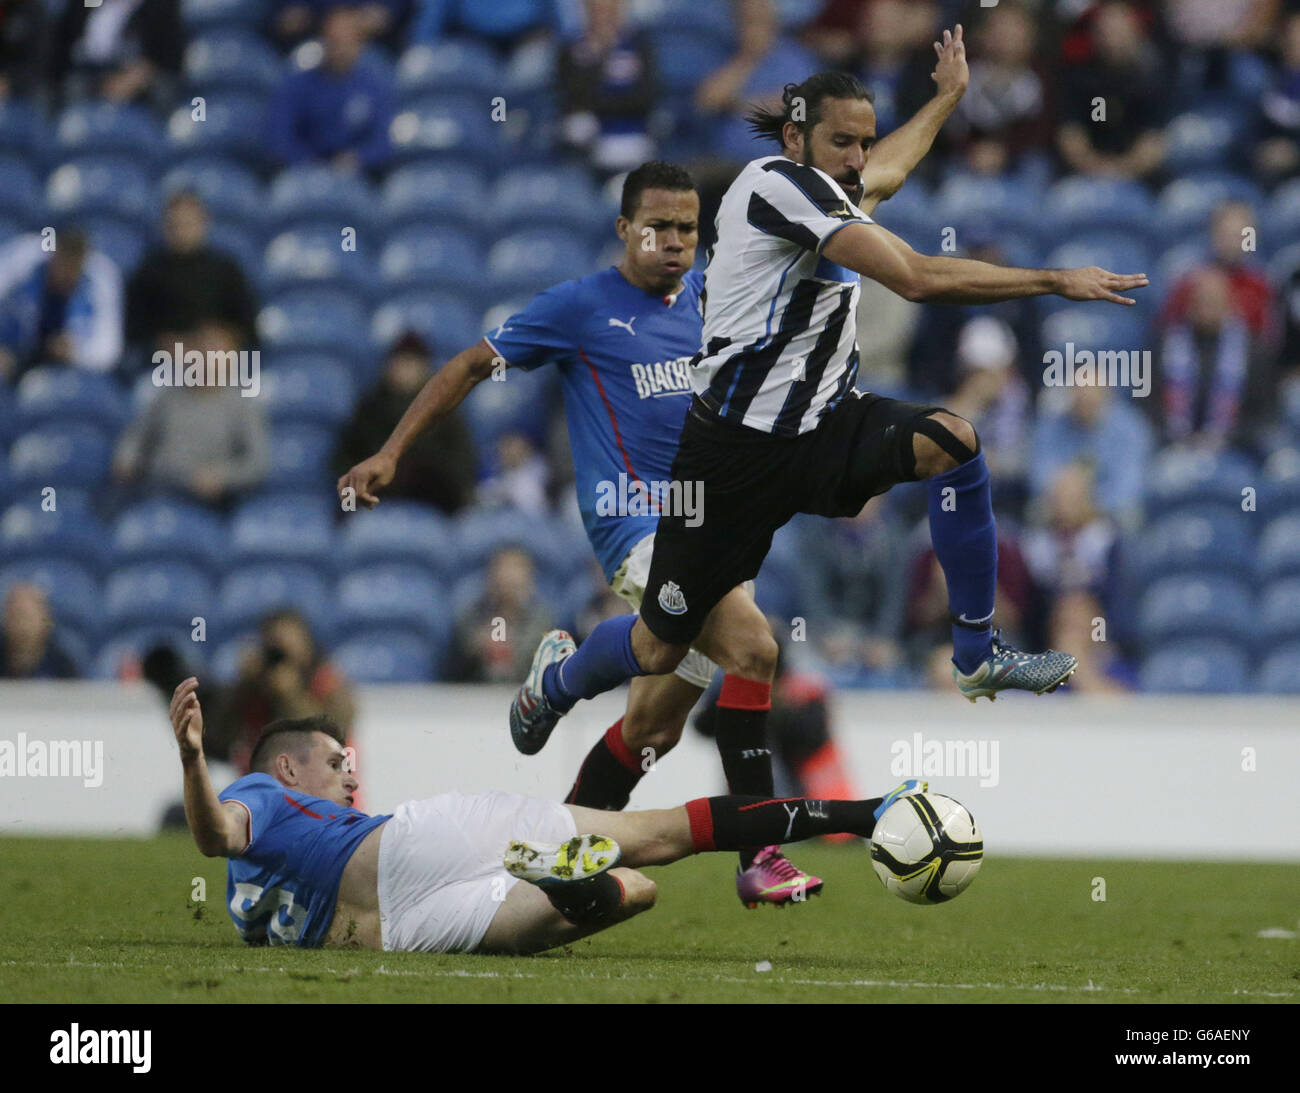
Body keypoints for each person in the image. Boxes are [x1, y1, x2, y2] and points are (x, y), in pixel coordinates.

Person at [339, 45, 979, 902]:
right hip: (632, 516)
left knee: (652, 727)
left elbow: (875, 179)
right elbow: (465, 365)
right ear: (623, 229)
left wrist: (942, 103)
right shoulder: (579, 306)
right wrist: (390, 450)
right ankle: (751, 852)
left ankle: (552, 859)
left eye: (687, 229)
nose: (676, 242)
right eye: (658, 228)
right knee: (753, 647)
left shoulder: (725, 297)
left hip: (707, 511)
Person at [513, 48, 1148, 740]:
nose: (855, 157)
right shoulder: (774, 186)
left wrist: (944, 100)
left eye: (862, 142)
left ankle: (974, 656)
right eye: (840, 140)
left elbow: (893, 169)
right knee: (662, 644)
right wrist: (1055, 280)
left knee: (954, 442)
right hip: (733, 454)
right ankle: (556, 682)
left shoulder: (829, 190)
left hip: (822, 427)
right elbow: (914, 277)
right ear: (795, 138)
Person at [169, 676, 927, 953]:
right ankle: (571, 876)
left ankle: (860, 814)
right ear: (286, 768)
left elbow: (220, 847)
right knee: (642, 875)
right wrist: (195, 758)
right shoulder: (260, 795)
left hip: (396, 911)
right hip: (407, 895)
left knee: (643, 860)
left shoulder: (251, 900)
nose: (349, 771)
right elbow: (211, 835)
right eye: (337, 763)